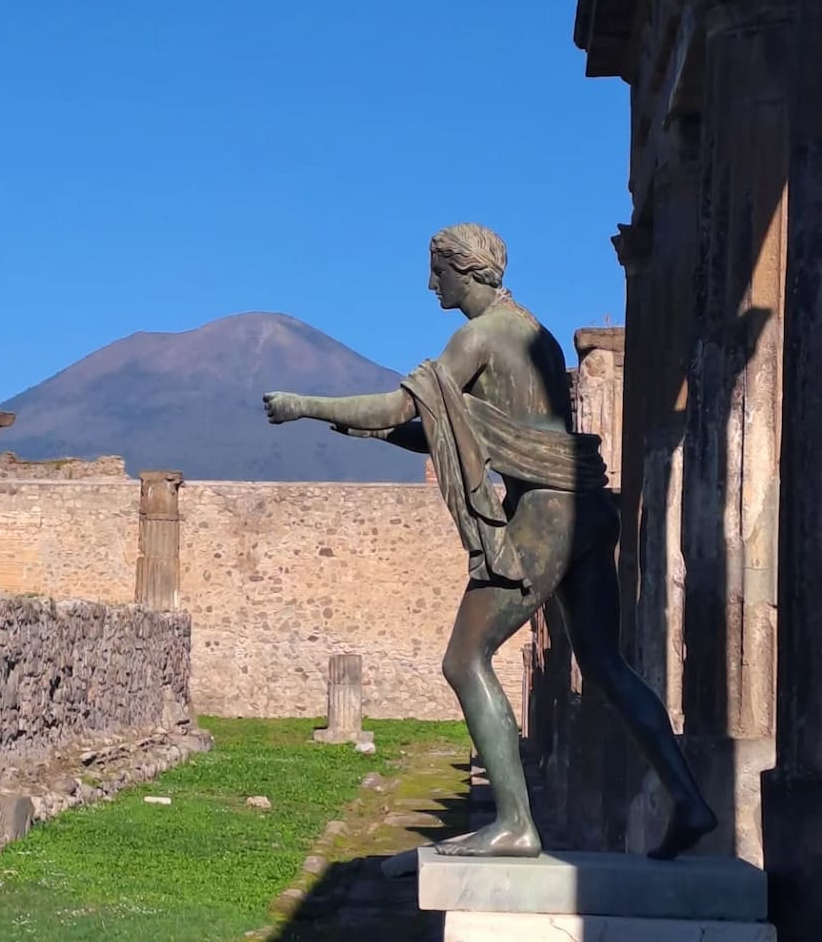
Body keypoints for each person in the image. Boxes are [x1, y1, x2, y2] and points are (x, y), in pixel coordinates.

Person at [262, 223, 716, 859]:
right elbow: (461, 433)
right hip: (585, 510)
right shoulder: (534, 332)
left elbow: (402, 408)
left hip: (543, 516)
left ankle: (514, 825)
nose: (430, 284)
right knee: (607, 667)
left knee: (464, 660)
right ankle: (690, 801)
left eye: (437, 272)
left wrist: (306, 405)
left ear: (466, 270)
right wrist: (364, 433)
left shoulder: (478, 338)